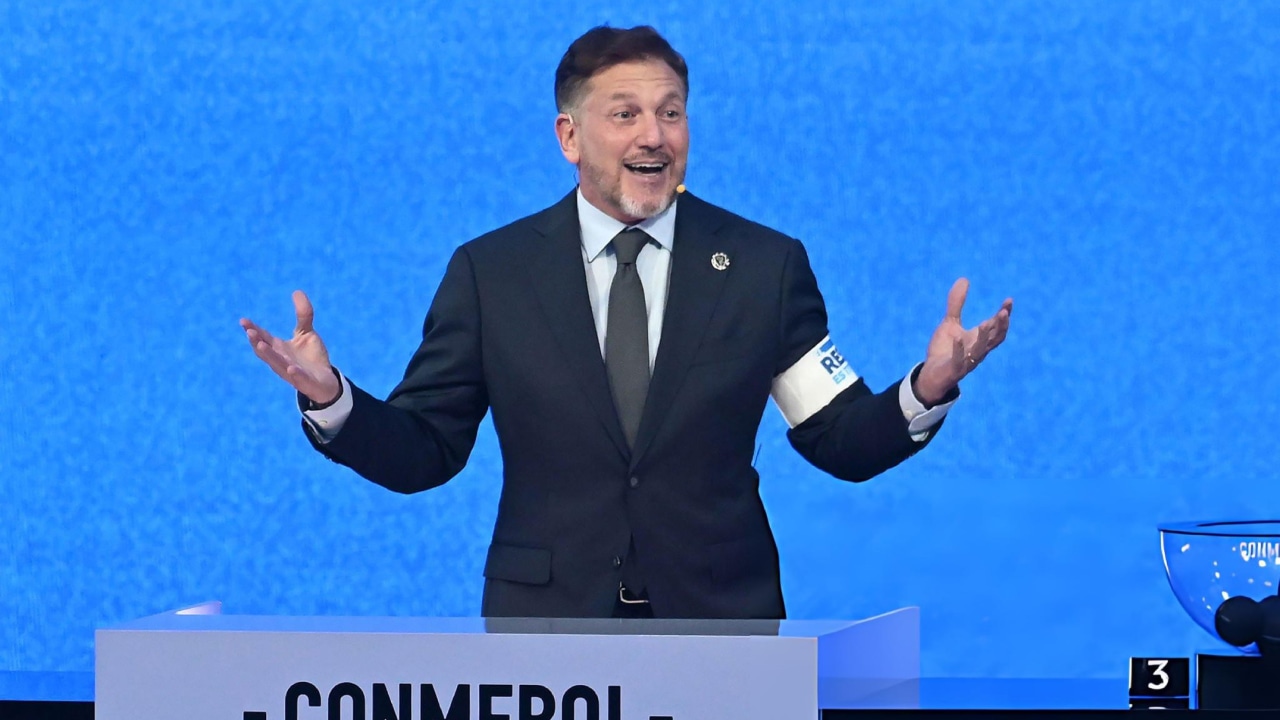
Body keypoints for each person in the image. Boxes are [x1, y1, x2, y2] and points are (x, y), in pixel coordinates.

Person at [240, 25, 1012, 620]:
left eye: (671, 113)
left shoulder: (763, 267)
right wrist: (332, 398)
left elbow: (840, 439)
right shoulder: (492, 274)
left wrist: (927, 386)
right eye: (627, 114)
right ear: (569, 138)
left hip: (723, 624)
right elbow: (426, 451)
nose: (654, 135)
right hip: (547, 631)